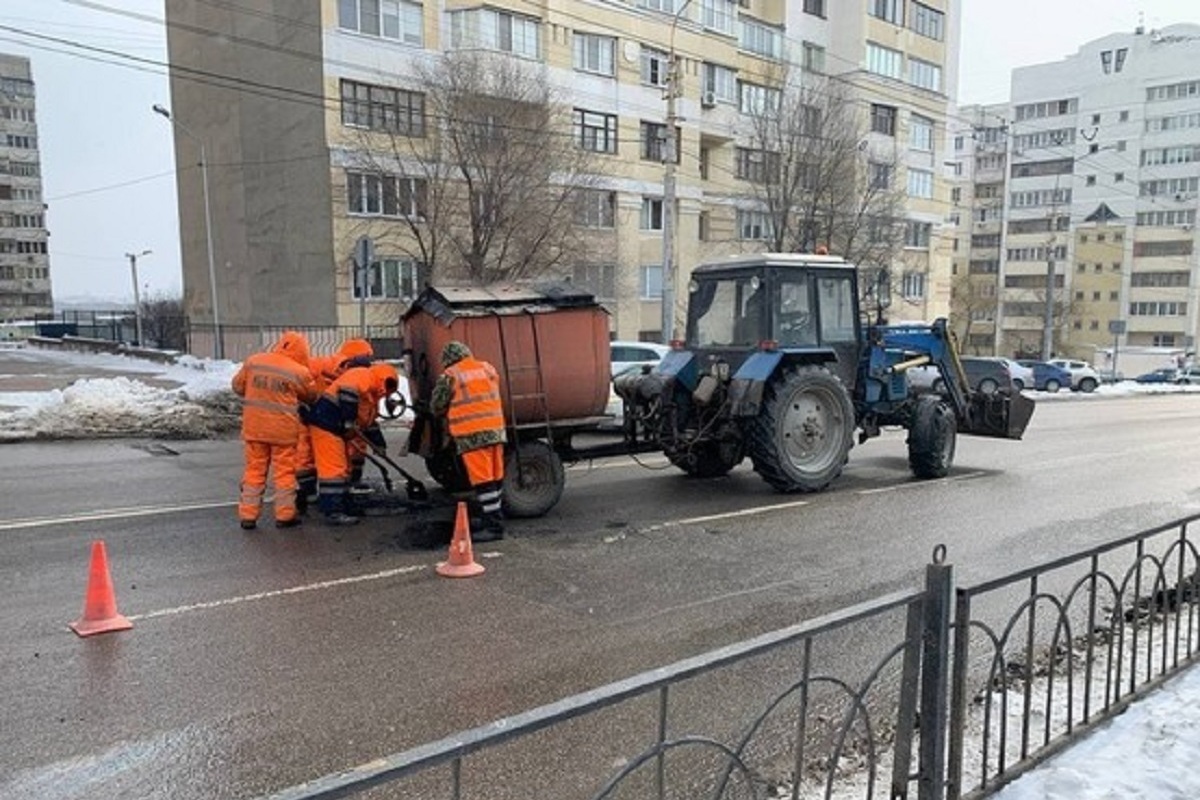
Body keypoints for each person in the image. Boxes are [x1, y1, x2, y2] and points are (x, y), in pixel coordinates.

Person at [230, 331, 318, 530]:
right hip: (283, 433)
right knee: (284, 473)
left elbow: (237, 386)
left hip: (255, 430)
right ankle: (285, 516)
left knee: (254, 471)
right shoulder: (299, 371)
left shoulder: (254, 362)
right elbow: (311, 396)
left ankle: (248, 516)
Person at [304, 361, 399, 525]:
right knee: (333, 470)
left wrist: (379, 445)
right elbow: (347, 393)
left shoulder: (371, 397)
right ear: (382, 376)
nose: (386, 391)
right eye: (388, 384)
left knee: (344, 468)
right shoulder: (363, 375)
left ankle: (343, 504)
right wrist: (349, 422)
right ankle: (333, 511)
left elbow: (369, 424)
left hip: (336, 428)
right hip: (326, 424)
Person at [431, 340, 507, 542]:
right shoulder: (487, 367)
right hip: (496, 431)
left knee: (483, 482)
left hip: (473, 434)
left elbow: (437, 405)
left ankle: (494, 527)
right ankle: (494, 517)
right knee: (495, 478)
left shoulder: (451, 375)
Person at [295, 338, 374, 513]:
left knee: (333, 455)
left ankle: (341, 488)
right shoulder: (319, 367)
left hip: (326, 419)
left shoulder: (349, 374)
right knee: (306, 454)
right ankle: (311, 494)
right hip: (308, 417)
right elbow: (298, 383)